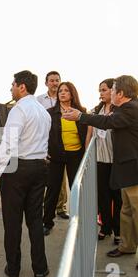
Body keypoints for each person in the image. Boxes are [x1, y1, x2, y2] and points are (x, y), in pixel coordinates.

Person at [62, 75, 138, 271]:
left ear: (121, 94)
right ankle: (127, 246)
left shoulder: (132, 109)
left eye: (113, 90)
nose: (111, 93)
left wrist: (80, 116)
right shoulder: (128, 108)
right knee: (126, 211)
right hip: (131, 171)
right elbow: (106, 119)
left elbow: (108, 122)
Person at [0, 70, 51, 277]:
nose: (11, 88)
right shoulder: (44, 112)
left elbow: (7, 145)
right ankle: (40, 269)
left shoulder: (19, 110)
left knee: (12, 222)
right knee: (35, 220)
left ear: (22, 86)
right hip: (39, 167)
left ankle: (13, 270)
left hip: (17, 170)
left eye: (13, 84)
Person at [43, 82, 90, 236]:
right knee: (52, 189)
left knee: (76, 189)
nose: (62, 93)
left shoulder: (81, 112)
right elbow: (43, 133)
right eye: (60, 91)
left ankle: (78, 222)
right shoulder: (50, 113)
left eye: (66, 91)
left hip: (76, 155)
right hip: (56, 156)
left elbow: (87, 135)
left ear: (72, 94)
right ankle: (47, 222)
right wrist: (45, 151)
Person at [87, 78, 122, 244]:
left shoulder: (120, 111)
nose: (101, 93)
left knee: (118, 197)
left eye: (104, 90)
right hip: (100, 160)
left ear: (113, 90)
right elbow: (90, 134)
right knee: (103, 197)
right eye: (99, 90)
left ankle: (118, 231)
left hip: (116, 161)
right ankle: (105, 228)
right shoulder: (96, 111)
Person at [37, 71, 68, 218]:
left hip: (61, 144)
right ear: (46, 83)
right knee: (44, 178)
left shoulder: (65, 97)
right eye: (52, 80)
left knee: (61, 180)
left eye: (57, 80)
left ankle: (61, 207)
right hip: (44, 144)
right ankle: (45, 207)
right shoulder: (39, 100)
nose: (55, 83)